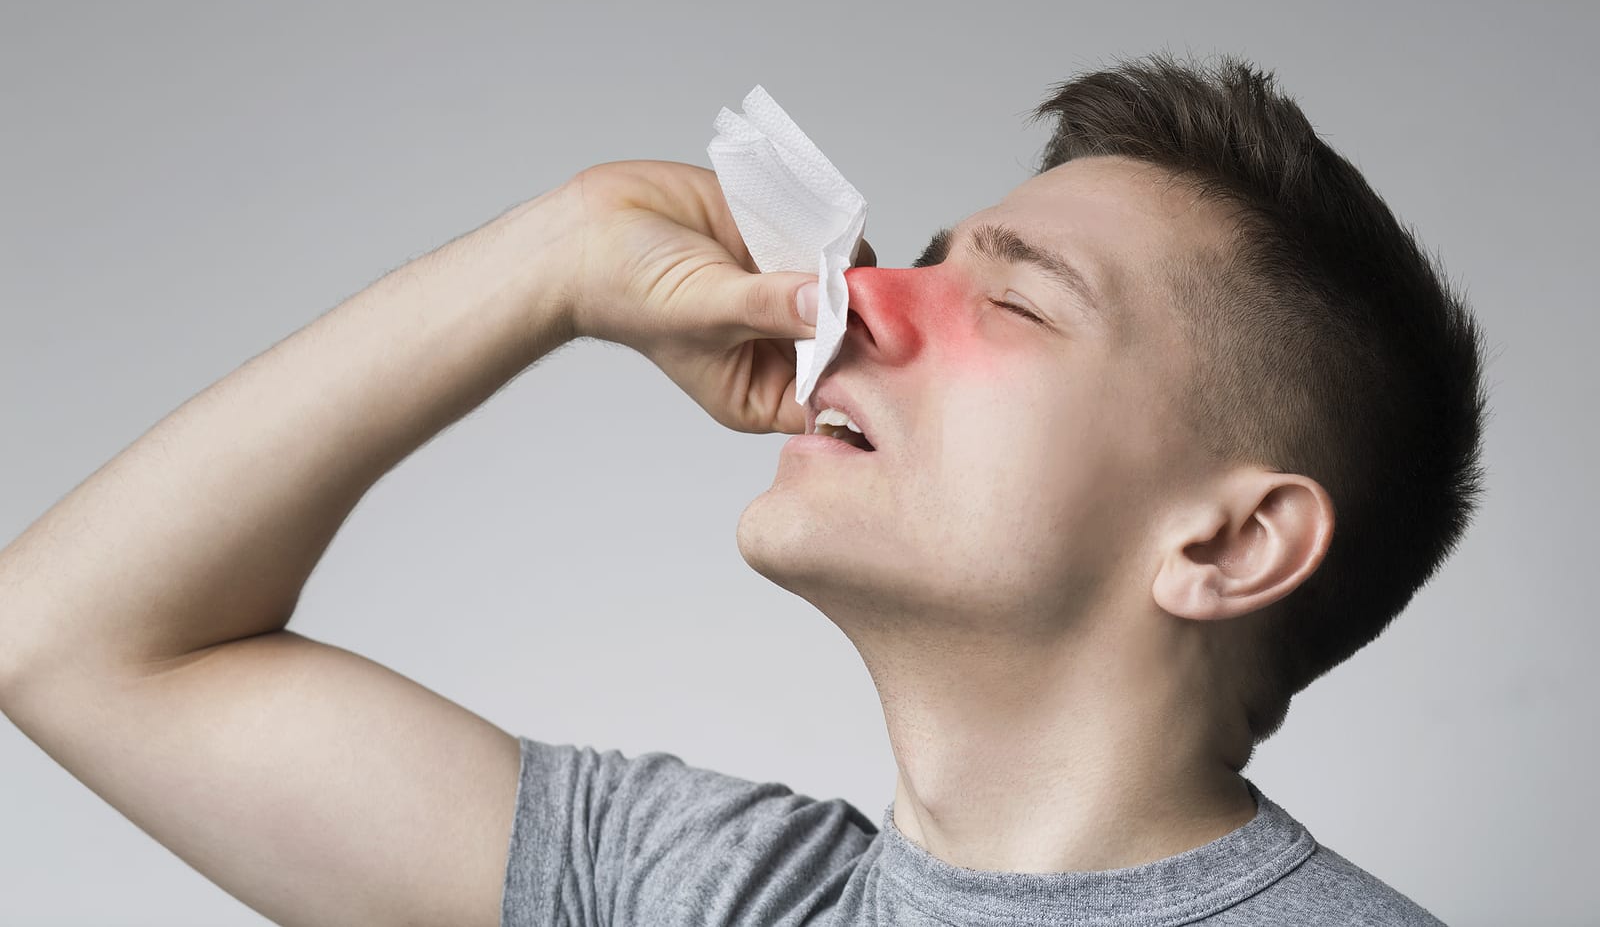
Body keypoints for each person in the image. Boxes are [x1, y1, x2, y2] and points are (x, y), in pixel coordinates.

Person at [0, 52, 1484, 926]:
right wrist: (564, 252)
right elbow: (72, 641)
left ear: (1232, 541)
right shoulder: (708, 895)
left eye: (1016, 301)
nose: (854, 301)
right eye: (914, 258)